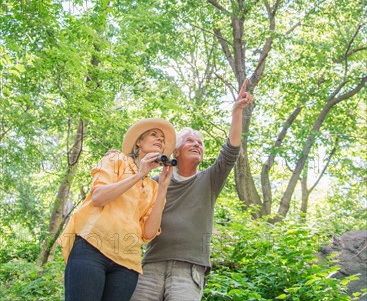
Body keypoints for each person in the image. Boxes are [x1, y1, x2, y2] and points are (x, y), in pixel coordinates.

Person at [130, 78, 253, 301]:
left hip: (188, 270)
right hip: (151, 266)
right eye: (190, 141)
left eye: (200, 143)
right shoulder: (156, 182)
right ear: (176, 151)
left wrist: (237, 112)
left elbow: (231, 151)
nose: (197, 144)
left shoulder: (210, 180)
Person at [58, 117, 176, 301]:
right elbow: (98, 197)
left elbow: (149, 232)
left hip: (127, 264)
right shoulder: (116, 159)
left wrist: (162, 188)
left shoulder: (153, 187)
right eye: (154, 134)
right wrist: (139, 175)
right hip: (92, 248)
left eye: (163, 139)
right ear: (139, 142)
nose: (160, 140)